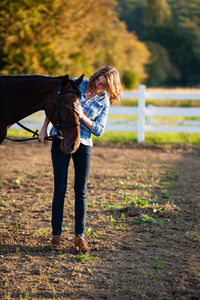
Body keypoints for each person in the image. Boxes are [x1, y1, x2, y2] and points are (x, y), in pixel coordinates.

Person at [38, 66, 121, 252]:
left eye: (103, 85)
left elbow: (99, 130)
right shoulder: (78, 84)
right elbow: (53, 105)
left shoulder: (103, 101)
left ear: (109, 87)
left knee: (80, 191)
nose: (98, 85)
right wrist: (44, 128)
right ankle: (56, 235)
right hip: (60, 139)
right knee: (59, 189)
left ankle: (79, 236)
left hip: (83, 144)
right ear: (96, 74)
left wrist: (81, 114)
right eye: (98, 80)